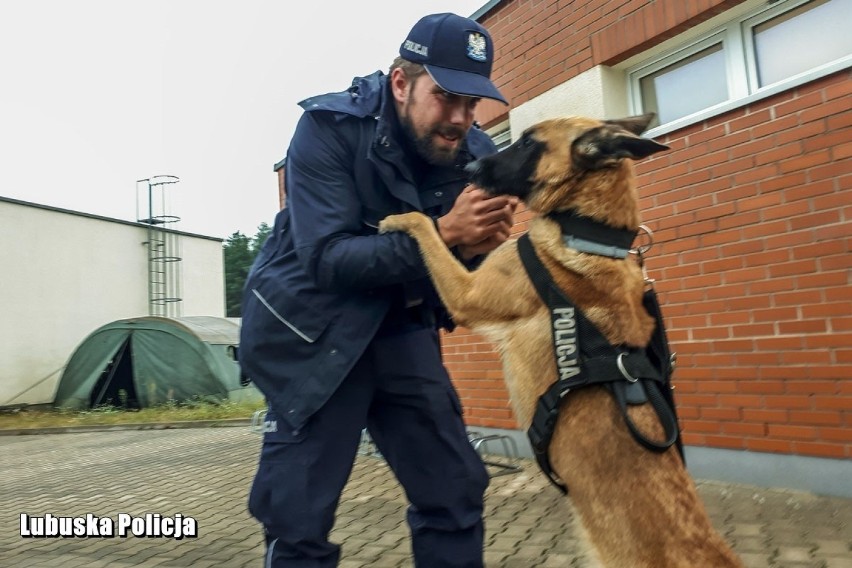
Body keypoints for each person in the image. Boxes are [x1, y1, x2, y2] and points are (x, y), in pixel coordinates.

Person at [240, 12, 516, 568]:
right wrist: (444, 235)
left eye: (472, 104)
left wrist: (481, 244)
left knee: (455, 493)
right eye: (446, 97)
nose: (461, 118)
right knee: (297, 518)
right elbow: (326, 258)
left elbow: (467, 271)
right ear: (400, 83)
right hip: (313, 336)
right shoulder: (328, 129)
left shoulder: (475, 153)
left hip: (402, 330)